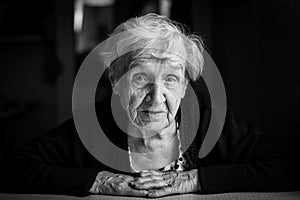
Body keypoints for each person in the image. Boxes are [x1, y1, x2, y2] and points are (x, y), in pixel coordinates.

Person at [1, 13, 298, 197]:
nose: (157, 97)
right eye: (141, 77)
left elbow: (288, 166)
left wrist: (194, 180)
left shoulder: (208, 126)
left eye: (171, 79)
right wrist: (102, 182)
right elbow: (13, 169)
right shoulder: (91, 129)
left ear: (184, 87)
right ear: (116, 82)